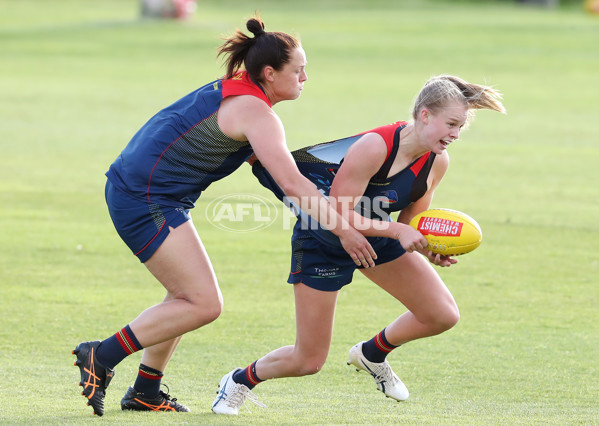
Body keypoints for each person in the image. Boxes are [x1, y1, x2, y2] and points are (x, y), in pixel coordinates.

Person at [72, 17, 377, 417]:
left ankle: (146, 391)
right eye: (298, 70)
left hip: (145, 191)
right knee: (203, 303)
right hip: (144, 197)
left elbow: (276, 171)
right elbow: (292, 184)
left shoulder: (243, 94)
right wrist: (346, 230)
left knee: (184, 294)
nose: (306, 77)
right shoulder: (256, 113)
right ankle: (102, 355)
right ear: (270, 73)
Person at [211, 75, 506, 415]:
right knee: (308, 360)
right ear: (425, 115)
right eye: (451, 124)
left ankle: (371, 354)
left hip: (378, 237)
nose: (455, 134)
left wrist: (428, 247)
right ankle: (238, 381)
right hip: (324, 238)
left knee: (441, 314)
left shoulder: (437, 161)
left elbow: (411, 222)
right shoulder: (375, 146)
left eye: (460, 127)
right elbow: (336, 214)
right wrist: (397, 231)